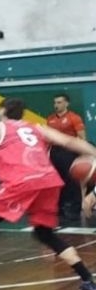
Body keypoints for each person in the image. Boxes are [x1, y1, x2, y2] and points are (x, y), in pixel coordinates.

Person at [0, 98, 96, 290]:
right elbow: (69, 141)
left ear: (2, 111)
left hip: (20, 181)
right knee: (45, 234)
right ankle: (88, 280)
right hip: (48, 182)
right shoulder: (36, 127)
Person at [47, 93, 87, 222]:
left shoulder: (74, 118)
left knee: (72, 181)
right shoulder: (50, 119)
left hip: (69, 151)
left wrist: (82, 154)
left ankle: (75, 210)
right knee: (56, 180)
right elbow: (48, 138)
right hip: (55, 152)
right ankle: (60, 208)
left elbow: (82, 138)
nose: (56, 105)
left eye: (59, 102)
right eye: (55, 102)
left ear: (66, 103)